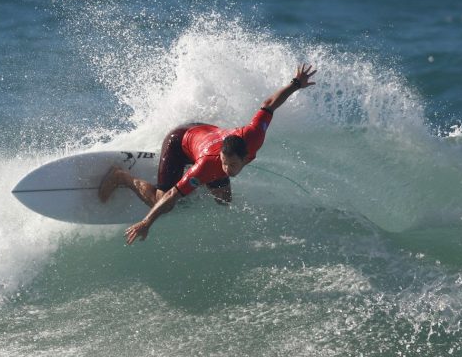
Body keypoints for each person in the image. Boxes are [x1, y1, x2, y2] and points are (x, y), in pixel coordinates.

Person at [98, 64, 317, 244]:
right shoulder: (209, 166)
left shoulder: (253, 135)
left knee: (224, 201)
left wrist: (296, 84)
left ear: (245, 157)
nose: (226, 169)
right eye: (224, 164)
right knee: (165, 202)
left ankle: (195, 185)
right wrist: (146, 223)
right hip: (179, 141)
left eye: (231, 165)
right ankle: (121, 177)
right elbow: (171, 196)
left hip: (203, 133)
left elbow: (269, 104)